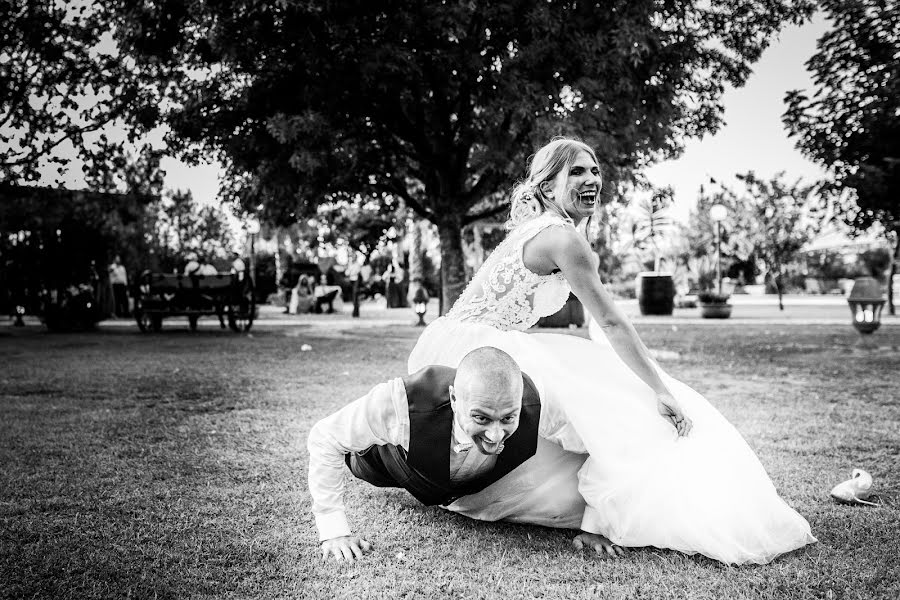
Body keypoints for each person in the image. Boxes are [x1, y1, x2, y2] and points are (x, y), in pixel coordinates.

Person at [408, 137, 816, 565]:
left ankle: (587, 508)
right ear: (547, 189)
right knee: (623, 407)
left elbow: (594, 324)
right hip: (479, 353)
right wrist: (658, 387)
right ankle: (598, 520)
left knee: (600, 388)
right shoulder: (561, 238)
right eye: (577, 172)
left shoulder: (540, 230)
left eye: (595, 171)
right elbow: (610, 321)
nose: (591, 180)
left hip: (455, 344)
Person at [308, 346, 619, 563]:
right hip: (381, 463)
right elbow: (325, 437)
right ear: (455, 398)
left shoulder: (537, 403)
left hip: (454, 487)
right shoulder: (402, 403)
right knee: (358, 457)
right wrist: (334, 532)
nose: (497, 435)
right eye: (482, 418)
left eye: (507, 418)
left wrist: (593, 525)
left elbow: (599, 442)